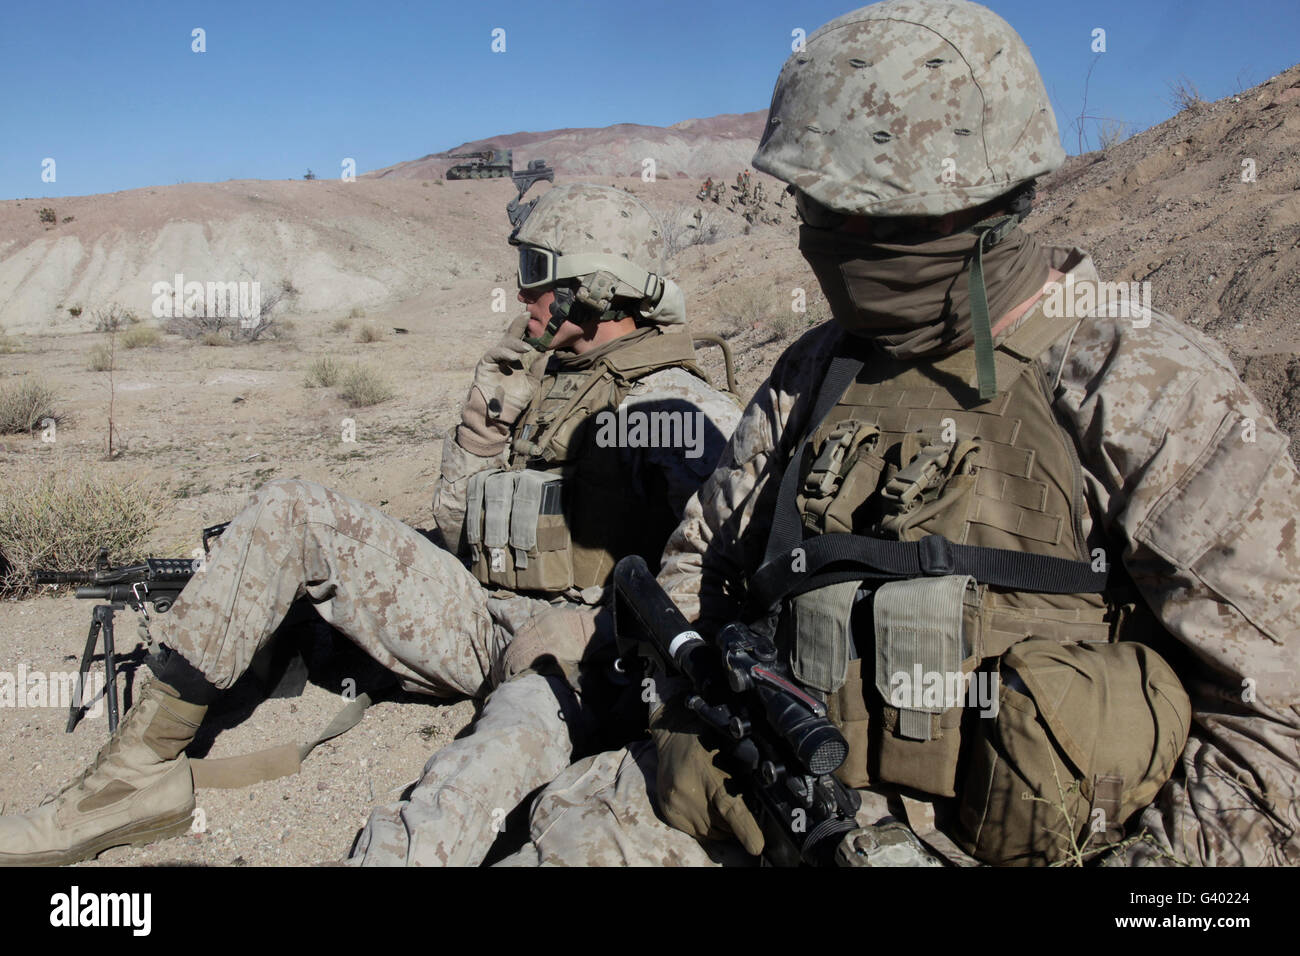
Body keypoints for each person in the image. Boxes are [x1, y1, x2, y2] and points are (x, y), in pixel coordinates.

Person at [497, 0, 1300, 868]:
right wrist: (700, 704)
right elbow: (702, 565)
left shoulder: (1143, 382)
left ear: (971, 201)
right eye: (813, 206)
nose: (822, 239)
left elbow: (1274, 729)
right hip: (769, 808)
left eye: (855, 213)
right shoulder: (816, 370)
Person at [0, 183, 740, 867]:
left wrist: (595, 629)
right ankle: (132, 781)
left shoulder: (669, 405)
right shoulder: (548, 379)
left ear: (595, 286)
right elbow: (463, 532)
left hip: (581, 658)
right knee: (290, 507)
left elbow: (727, 566)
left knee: (452, 800)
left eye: (538, 269)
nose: (523, 289)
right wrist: (482, 430)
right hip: (484, 614)